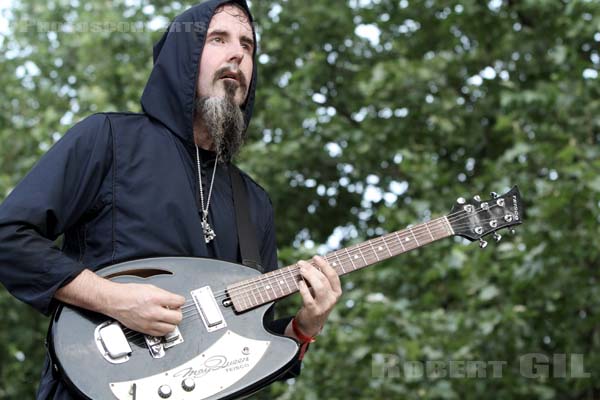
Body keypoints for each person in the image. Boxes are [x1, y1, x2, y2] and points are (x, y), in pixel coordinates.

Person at [0, 1, 342, 398]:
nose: (238, 54)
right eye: (219, 39)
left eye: (248, 46)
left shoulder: (254, 202)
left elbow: (255, 352)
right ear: (185, 57)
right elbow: (8, 237)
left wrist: (305, 327)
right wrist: (112, 298)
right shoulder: (108, 139)